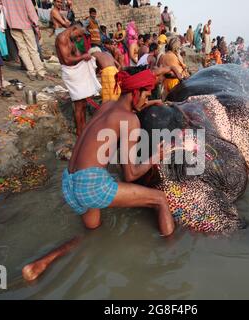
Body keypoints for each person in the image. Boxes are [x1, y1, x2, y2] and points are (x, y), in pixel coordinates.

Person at [22, 69, 175, 282]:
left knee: (92, 234)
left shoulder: (107, 106)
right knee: (160, 200)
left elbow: (124, 113)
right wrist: (156, 155)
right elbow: (130, 174)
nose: (147, 100)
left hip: (69, 182)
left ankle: (41, 263)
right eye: (147, 95)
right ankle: (172, 256)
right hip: (91, 184)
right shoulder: (130, 120)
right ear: (136, 93)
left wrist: (149, 103)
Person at [56, 25, 101, 136]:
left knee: (84, 103)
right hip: (70, 73)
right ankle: (80, 131)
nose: (79, 38)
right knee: (79, 104)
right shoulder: (62, 38)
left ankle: (84, 127)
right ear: (74, 29)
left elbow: (77, 54)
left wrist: (88, 58)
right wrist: (83, 57)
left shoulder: (72, 39)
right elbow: (67, 60)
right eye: (79, 34)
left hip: (76, 72)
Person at [0, 0, 47, 81]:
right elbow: (30, 9)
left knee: (22, 49)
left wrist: (8, 12)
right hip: (26, 24)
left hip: (13, 24)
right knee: (33, 49)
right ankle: (40, 72)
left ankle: (31, 71)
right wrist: (36, 25)